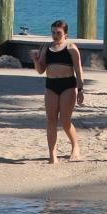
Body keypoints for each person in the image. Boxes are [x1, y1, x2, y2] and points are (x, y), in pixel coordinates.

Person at [31, 19, 84, 163]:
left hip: (68, 85)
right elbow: (41, 70)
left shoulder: (71, 48)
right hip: (51, 86)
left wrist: (80, 90)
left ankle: (75, 146)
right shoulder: (46, 48)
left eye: (58, 33)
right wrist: (36, 60)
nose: (55, 35)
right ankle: (52, 155)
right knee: (51, 121)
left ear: (65, 34)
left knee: (65, 121)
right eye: (53, 32)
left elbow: (78, 71)